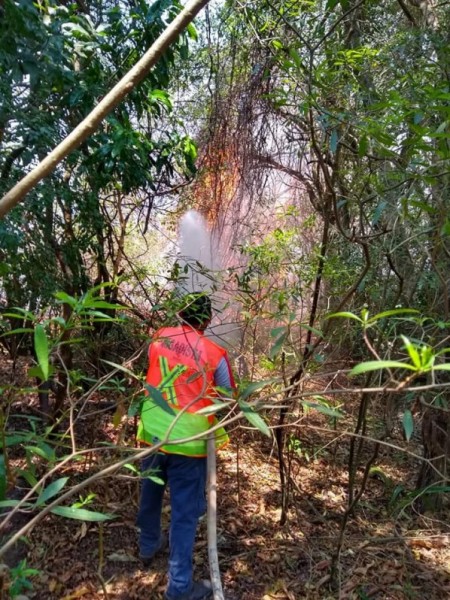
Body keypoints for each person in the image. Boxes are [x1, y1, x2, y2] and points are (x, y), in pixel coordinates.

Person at [136, 292, 235, 600]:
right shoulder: (215, 353)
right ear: (206, 319)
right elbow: (230, 398)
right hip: (188, 445)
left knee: (149, 493)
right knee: (184, 515)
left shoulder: (159, 338)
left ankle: (148, 545)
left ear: (180, 314)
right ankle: (179, 588)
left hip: (152, 434)